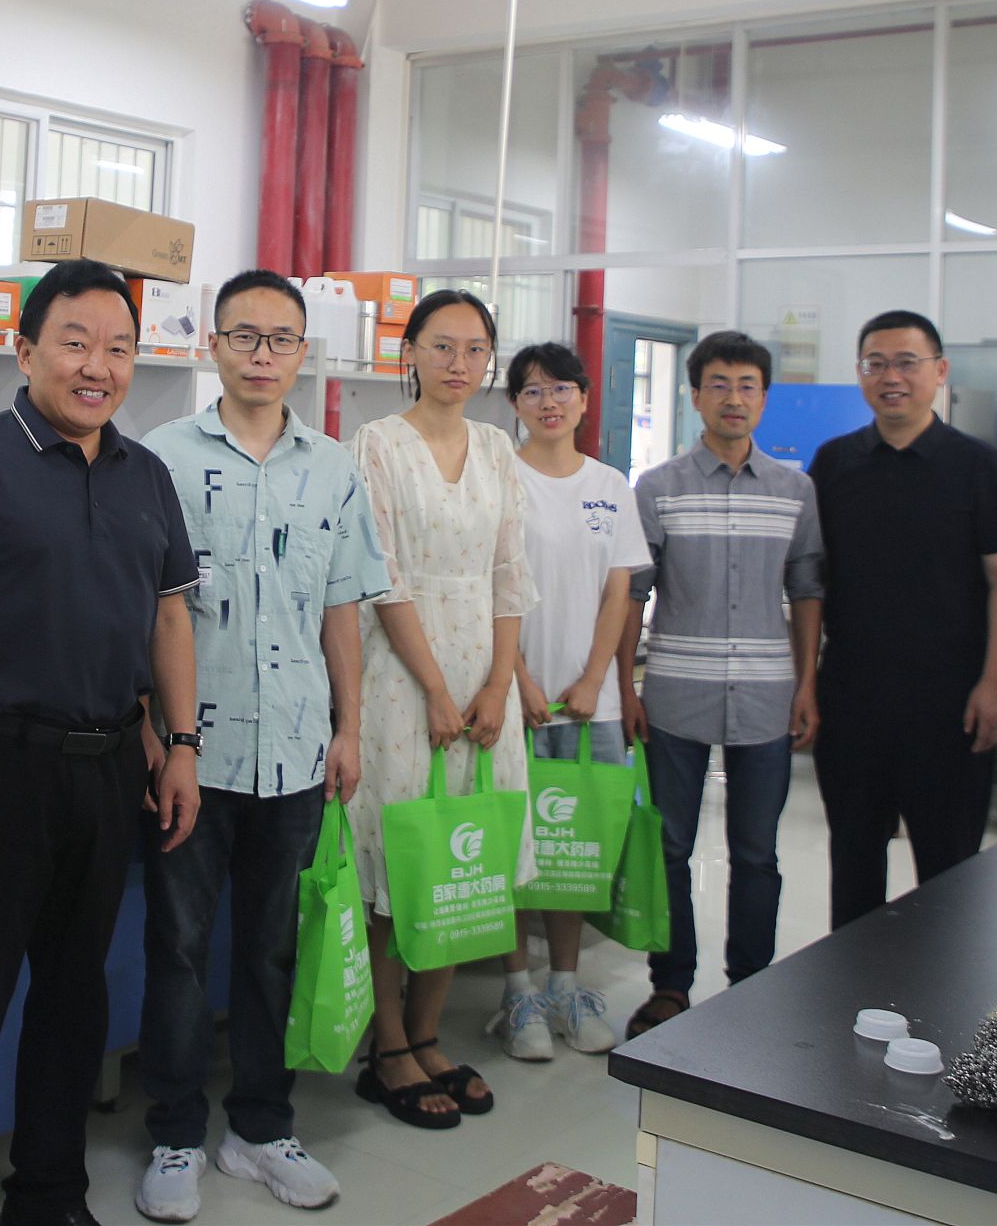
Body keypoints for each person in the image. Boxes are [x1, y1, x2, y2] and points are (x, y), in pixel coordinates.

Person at [0, 259, 202, 1226]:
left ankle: (50, 1193)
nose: (97, 366)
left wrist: (180, 742)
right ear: (25, 350)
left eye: (119, 348)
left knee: (76, 998)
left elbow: (169, 617)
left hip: (110, 765)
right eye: (75, 343)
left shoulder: (145, 473)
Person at [132, 271, 389, 1221]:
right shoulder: (157, 457)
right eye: (244, 335)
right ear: (213, 343)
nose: (262, 355)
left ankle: (260, 1125)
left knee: (272, 947)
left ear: (302, 353)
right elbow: (142, 611)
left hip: (293, 747)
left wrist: (349, 727)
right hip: (191, 756)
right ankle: (172, 1133)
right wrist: (154, 736)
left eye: (281, 339)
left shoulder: (333, 468)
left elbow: (341, 609)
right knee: (179, 948)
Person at [349, 289, 537, 1130]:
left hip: (483, 679)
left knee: (465, 858)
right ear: (411, 352)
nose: (459, 363)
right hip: (401, 678)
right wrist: (432, 685)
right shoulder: (377, 443)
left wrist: (498, 684)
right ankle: (386, 1045)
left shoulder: (498, 447)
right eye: (442, 345)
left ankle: (428, 1035)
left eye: (475, 349)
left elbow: (509, 574)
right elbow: (381, 574)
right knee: (398, 862)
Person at [617, 332, 823, 1040]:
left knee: (757, 853)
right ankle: (670, 984)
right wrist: (624, 686)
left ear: (764, 397)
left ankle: (751, 984)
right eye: (719, 384)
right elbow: (633, 594)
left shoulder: (796, 491)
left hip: (767, 696)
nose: (733, 398)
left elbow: (807, 591)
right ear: (695, 394)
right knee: (671, 847)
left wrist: (807, 685)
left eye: (747, 385)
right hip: (676, 693)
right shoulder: (658, 488)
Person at [809, 311, 997, 930]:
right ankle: (851, 985)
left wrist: (995, 685)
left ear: (939, 371)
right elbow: (810, 582)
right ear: (860, 374)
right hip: (852, 702)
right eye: (875, 364)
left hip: (950, 705)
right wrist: (806, 685)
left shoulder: (977, 465)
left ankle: (945, 987)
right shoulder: (834, 464)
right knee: (854, 863)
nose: (891, 377)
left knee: (949, 874)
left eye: (907, 363)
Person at [490, 342, 649, 1062]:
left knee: (575, 851)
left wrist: (593, 679)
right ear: (515, 405)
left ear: (585, 398)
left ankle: (566, 983)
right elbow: (492, 583)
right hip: (513, 698)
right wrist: (518, 679)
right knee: (513, 848)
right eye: (532, 391)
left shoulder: (610, 485)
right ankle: (517, 990)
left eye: (561, 389)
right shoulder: (500, 477)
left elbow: (619, 591)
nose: (548, 402)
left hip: (593, 706)